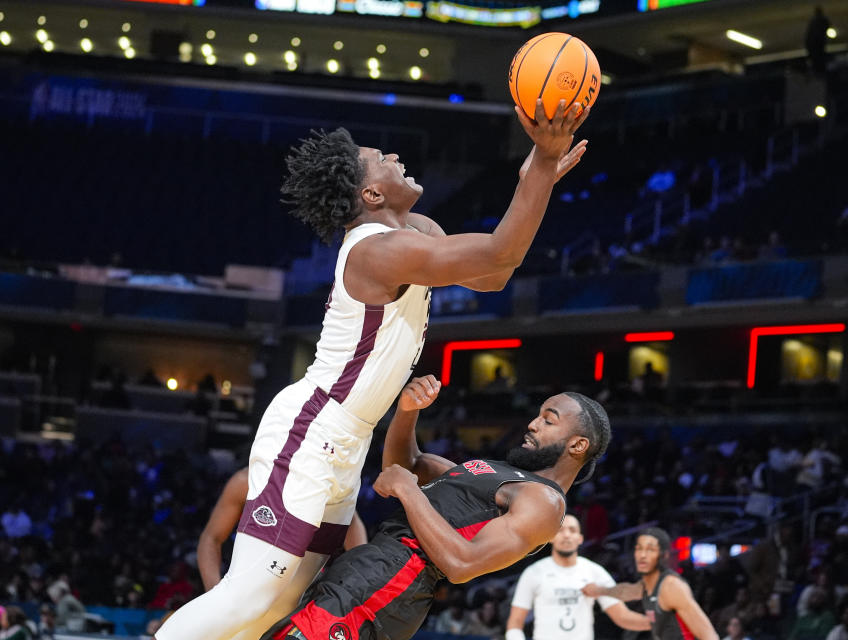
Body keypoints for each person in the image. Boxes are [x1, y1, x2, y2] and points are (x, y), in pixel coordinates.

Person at [157, 99, 590, 640]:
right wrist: (542, 170)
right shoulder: (378, 251)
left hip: (348, 439)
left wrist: (536, 172)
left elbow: (494, 275)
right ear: (370, 194)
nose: (393, 155)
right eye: (380, 157)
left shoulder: (416, 232)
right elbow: (501, 253)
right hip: (313, 427)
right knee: (252, 593)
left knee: (286, 600)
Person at [261, 373, 611, 640]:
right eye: (538, 415)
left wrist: (408, 491)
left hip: (385, 588)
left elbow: (463, 564)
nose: (533, 423)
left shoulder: (545, 501)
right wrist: (408, 411)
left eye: (549, 420)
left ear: (578, 445)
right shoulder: (504, 473)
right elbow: (407, 465)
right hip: (366, 574)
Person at [197, 467, 368, 591]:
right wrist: (214, 591)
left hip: (302, 594)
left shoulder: (328, 489)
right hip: (247, 586)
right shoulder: (247, 480)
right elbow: (211, 538)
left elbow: (360, 556)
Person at [505, 514, 650, 640]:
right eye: (560, 530)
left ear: (580, 538)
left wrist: (659, 621)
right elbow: (515, 624)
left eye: (572, 530)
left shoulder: (594, 571)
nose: (567, 535)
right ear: (551, 538)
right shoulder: (533, 572)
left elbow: (622, 617)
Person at [582, 528, 718, 640]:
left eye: (650, 550)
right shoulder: (648, 584)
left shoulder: (672, 587)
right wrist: (599, 591)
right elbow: (627, 591)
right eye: (639, 549)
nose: (642, 555)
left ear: (663, 555)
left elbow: (708, 634)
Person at [805, 6, 831, 73]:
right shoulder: (816, 21)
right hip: (817, 42)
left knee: (818, 54)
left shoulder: (815, 21)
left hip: (818, 41)